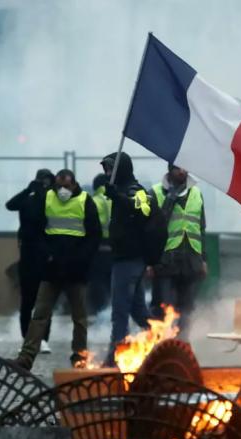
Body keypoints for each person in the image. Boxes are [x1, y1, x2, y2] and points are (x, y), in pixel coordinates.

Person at [12, 169, 100, 370]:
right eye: (59, 186)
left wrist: (81, 259)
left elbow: (93, 235)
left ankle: (79, 356)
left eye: (66, 186)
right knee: (40, 314)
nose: (62, 190)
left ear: (74, 184)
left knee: (79, 318)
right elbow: (35, 229)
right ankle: (26, 357)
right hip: (51, 269)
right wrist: (47, 255)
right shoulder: (46, 198)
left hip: (75, 270)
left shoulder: (85, 201)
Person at [100, 152, 153, 366]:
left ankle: (115, 360)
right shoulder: (120, 190)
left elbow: (143, 211)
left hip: (129, 260)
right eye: (105, 170)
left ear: (122, 169)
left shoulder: (135, 190)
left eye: (111, 169)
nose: (107, 174)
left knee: (119, 312)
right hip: (125, 259)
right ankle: (163, 338)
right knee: (139, 311)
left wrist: (118, 198)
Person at [148, 164, 207, 339]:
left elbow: (201, 229)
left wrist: (204, 260)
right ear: (169, 170)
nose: (181, 172)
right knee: (164, 307)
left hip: (191, 259)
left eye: (184, 168)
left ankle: (183, 343)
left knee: (187, 309)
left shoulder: (196, 193)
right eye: (177, 169)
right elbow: (151, 229)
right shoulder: (156, 192)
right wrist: (150, 262)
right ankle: (162, 344)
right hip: (166, 260)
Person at [6, 168, 55, 353]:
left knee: (44, 301)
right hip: (28, 257)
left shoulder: (53, 201)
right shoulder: (28, 199)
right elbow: (10, 205)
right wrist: (28, 190)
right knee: (28, 301)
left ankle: (43, 338)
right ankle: (27, 338)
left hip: (45, 258)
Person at [87, 173, 113, 315]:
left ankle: (98, 314)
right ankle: (111, 314)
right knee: (114, 284)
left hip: (97, 248)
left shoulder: (93, 201)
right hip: (116, 248)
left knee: (97, 283)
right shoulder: (118, 199)